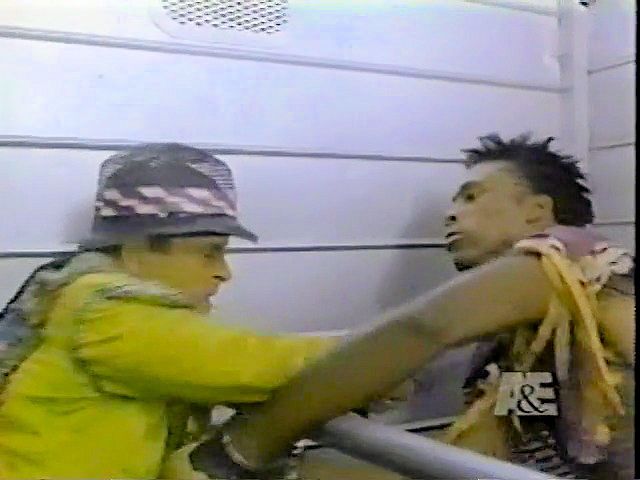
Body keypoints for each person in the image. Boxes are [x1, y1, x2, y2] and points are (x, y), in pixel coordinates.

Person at [210, 133, 634, 480]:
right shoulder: (525, 348)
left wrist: (243, 447)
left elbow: (427, 326)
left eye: (471, 196)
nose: (451, 214)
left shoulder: (575, 256)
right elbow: (488, 452)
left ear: (537, 212)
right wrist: (296, 473)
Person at [0, 144, 340, 479]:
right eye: (209, 253)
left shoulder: (87, 299)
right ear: (137, 249)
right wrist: (361, 357)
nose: (224, 272)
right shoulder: (109, 314)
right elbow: (245, 363)